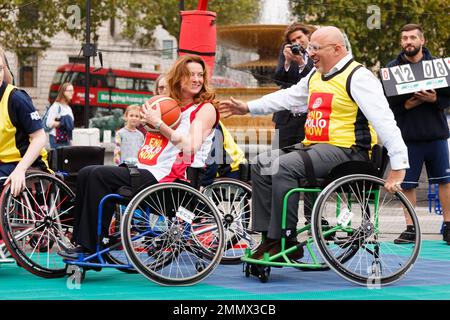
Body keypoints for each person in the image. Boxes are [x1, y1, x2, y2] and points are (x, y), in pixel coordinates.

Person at [219, 26, 409, 260]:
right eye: (310, 48)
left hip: (348, 152)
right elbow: (287, 97)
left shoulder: (358, 77)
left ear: (337, 49)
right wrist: (248, 107)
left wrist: (399, 166)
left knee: (285, 166)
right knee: (261, 163)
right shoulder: (316, 75)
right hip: (315, 147)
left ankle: (285, 238)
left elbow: (385, 121)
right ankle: (269, 237)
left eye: (316, 48)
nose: (311, 53)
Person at [58, 55, 219, 259]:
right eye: (191, 75)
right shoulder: (169, 105)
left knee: (98, 175)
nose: (197, 79)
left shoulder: (205, 109)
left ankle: (92, 247)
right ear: (178, 78)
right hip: (149, 171)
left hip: (174, 181)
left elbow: (190, 146)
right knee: (86, 173)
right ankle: (83, 240)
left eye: (200, 75)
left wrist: (159, 124)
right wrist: (150, 121)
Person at [385, 24, 450, 245]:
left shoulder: (438, 66)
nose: (408, 41)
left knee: (445, 181)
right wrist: (408, 105)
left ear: (422, 41)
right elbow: (387, 106)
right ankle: (411, 228)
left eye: (412, 37)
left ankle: (449, 226)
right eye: (404, 38)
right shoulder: (392, 69)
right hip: (407, 137)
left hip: (436, 135)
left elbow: (448, 98)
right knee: (407, 184)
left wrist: (435, 100)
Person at [0, 51, 50, 197]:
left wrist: (21, 169)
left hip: (26, 162)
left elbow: (40, 137)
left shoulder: (17, 99)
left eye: (0, 69)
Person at [272, 23, 315, 149]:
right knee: (278, 157)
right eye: (293, 40)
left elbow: (316, 81)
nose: (297, 42)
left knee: (305, 158)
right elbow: (278, 80)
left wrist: (301, 63)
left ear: (307, 36)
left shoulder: (317, 52)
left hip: (308, 119)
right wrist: (287, 62)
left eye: (299, 37)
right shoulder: (287, 53)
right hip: (286, 118)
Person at [46, 82, 75, 149]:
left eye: (72, 90)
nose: (72, 92)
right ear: (63, 92)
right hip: (56, 140)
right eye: (70, 91)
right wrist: (62, 123)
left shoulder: (68, 108)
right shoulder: (56, 106)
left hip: (67, 140)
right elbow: (49, 123)